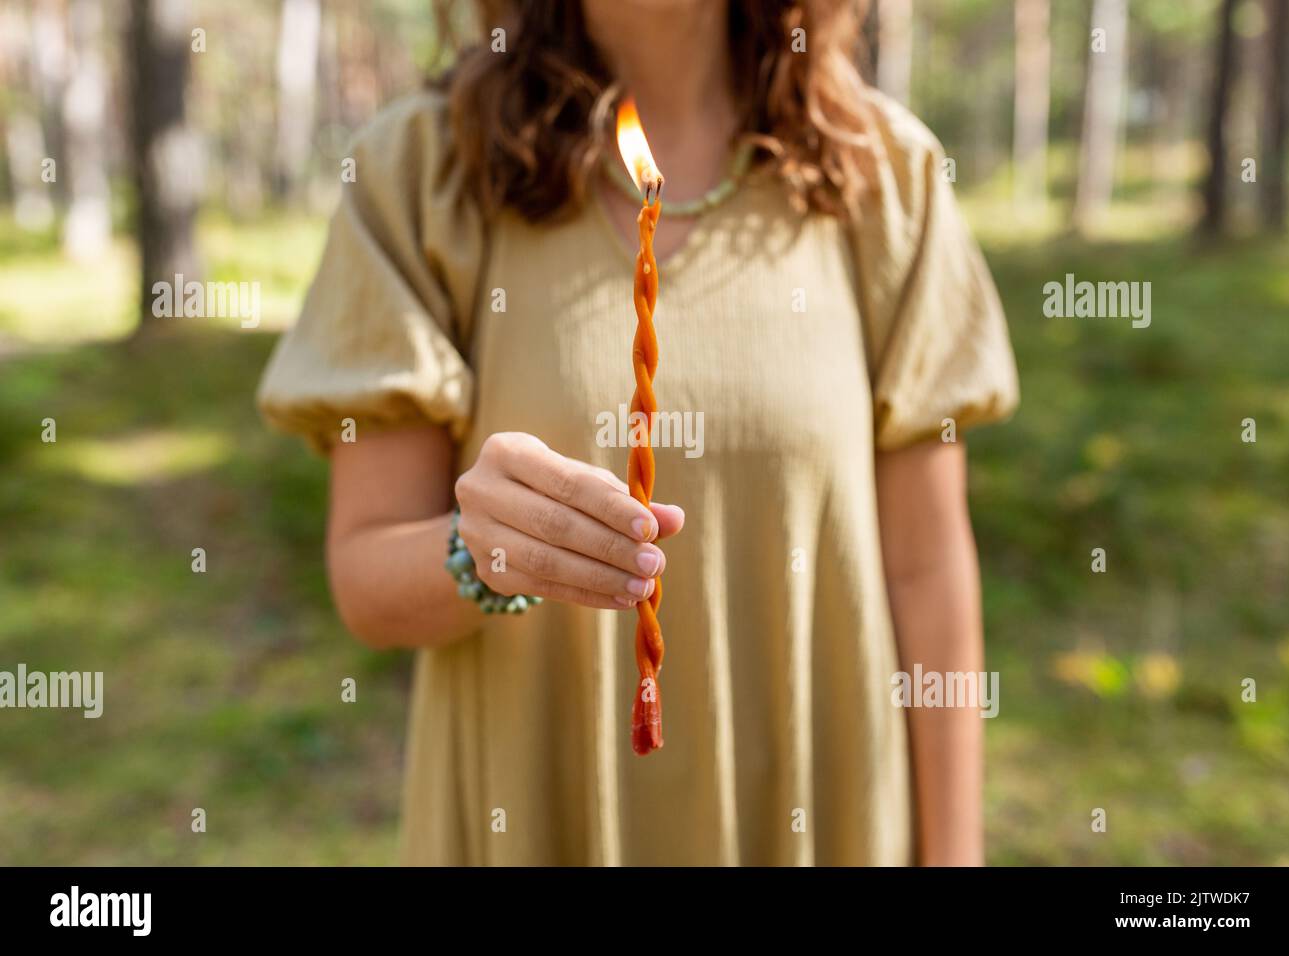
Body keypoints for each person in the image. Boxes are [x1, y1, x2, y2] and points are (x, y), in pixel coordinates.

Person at [257, 0, 1019, 866]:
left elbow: (928, 571)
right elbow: (365, 576)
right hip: (542, 814)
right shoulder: (423, 170)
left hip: (819, 810)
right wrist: (481, 548)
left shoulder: (880, 173)